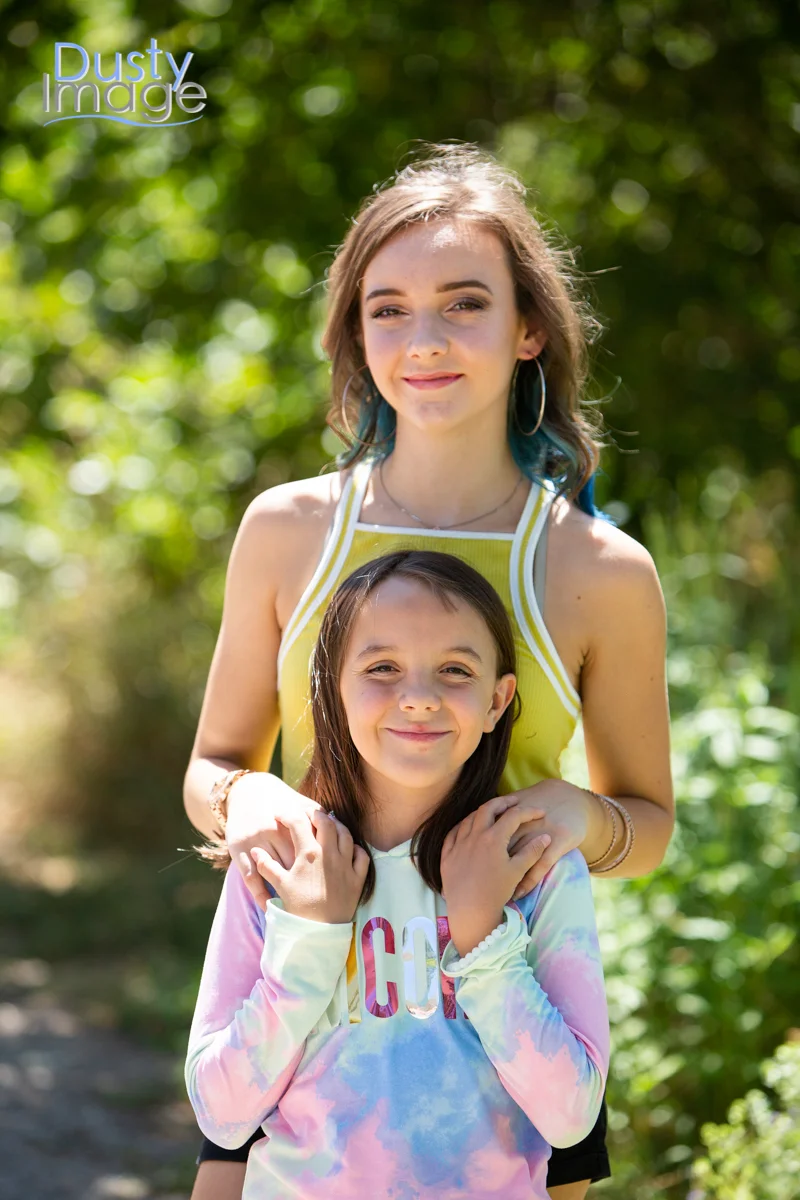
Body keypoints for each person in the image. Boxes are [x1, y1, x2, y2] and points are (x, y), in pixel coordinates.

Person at [183, 141, 674, 1199]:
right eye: (389, 310)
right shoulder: (288, 531)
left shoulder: (598, 571)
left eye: (463, 304)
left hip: (509, 1056)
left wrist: (574, 816)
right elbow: (213, 765)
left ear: (528, 328)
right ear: (356, 334)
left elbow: (647, 823)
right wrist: (247, 797)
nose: (425, 340)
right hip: (298, 1030)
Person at [185, 549, 611, 1200]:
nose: (418, 698)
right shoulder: (278, 862)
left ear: (498, 701)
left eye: (455, 670)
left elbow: (571, 1116)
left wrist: (484, 938)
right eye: (382, 668)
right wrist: (308, 939)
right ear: (331, 688)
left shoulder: (537, 867)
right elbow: (221, 1113)